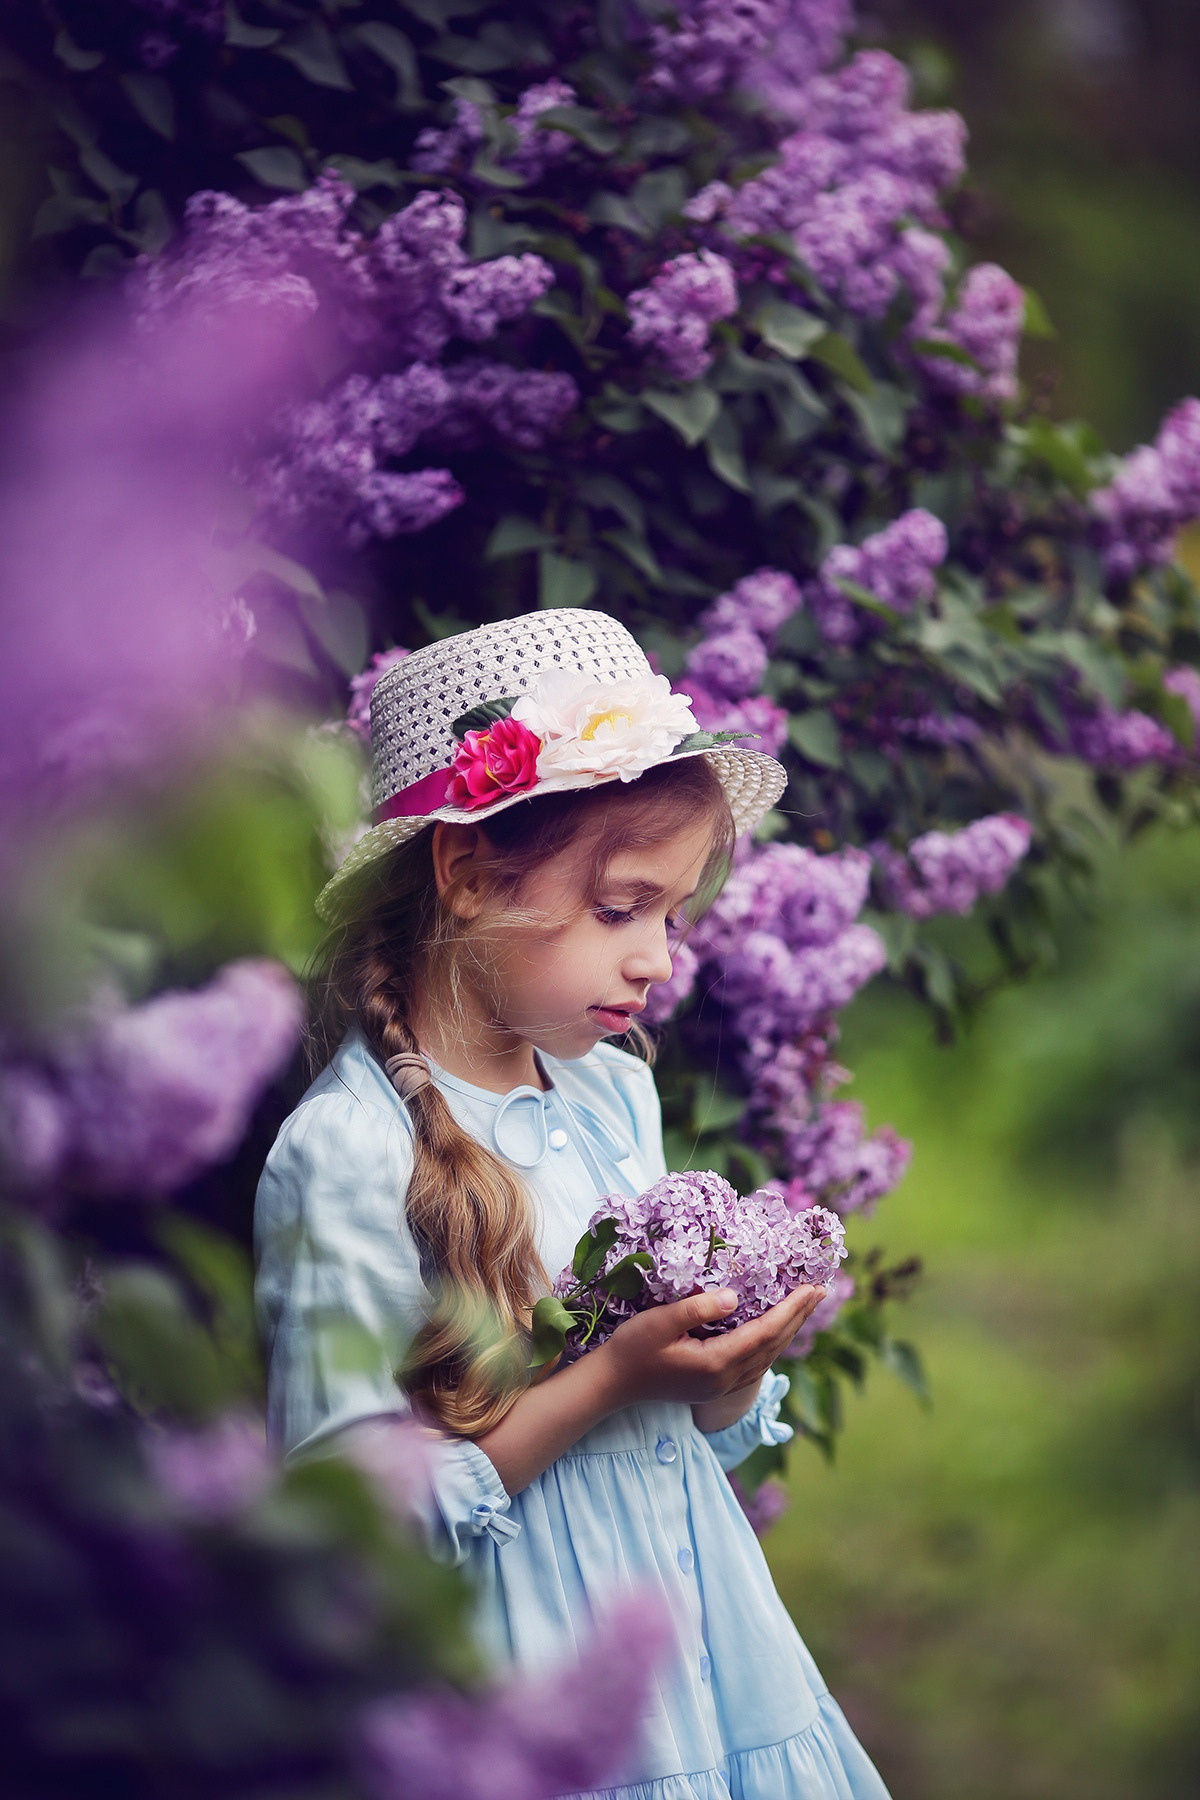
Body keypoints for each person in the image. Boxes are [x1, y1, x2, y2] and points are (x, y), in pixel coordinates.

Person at [255, 607, 892, 1799]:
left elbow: (678, 1433)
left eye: (671, 915)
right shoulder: (348, 1154)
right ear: (465, 873)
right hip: (530, 1696)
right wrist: (607, 1382)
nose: (658, 959)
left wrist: (726, 1369)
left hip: (708, 1658)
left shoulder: (610, 1093)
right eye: (619, 910)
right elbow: (344, 1528)